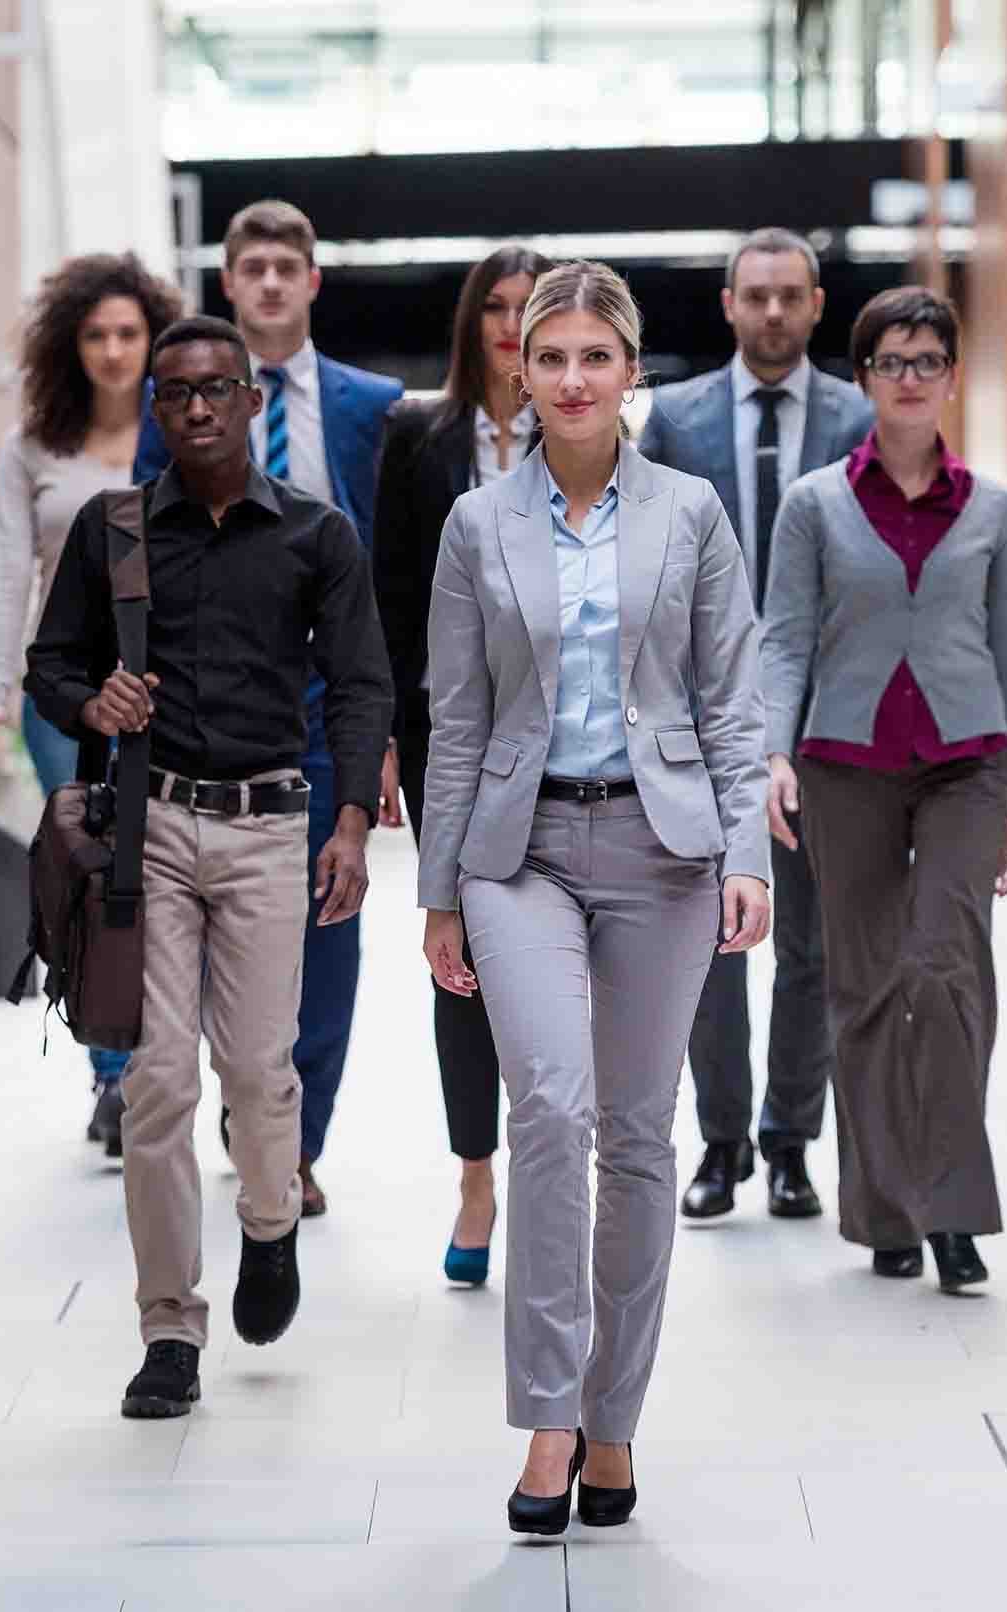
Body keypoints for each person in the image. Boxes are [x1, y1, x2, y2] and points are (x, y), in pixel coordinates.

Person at [416, 262, 770, 1534]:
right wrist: (441, 888)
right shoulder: (475, 525)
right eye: (550, 356)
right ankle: (549, 1421)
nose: (572, 378)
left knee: (636, 1140)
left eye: (596, 357)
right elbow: (454, 720)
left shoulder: (692, 513)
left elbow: (730, 698)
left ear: (633, 374)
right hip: (520, 856)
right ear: (521, 369)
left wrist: (746, 853)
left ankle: (616, 1422)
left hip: (664, 849)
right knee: (551, 1112)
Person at [28, 315, 394, 1417]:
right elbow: (52, 665)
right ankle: (169, 1329)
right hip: (150, 829)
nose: (195, 407)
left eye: (215, 389)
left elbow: (365, 687)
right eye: (174, 392)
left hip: (272, 824)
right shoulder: (116, 531)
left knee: (256, 1072)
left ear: (251, 402)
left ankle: (270, 1225)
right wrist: (92, 700)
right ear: (158, 410)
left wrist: (350, 825)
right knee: (156, 1084)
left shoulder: (316, 536)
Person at [759, 285, 1007, 1295]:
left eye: (928, 360)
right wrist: (774, 751)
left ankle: (955, 1212)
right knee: (868, 986)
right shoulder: (815, 504)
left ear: (953, 377)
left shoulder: (995, 508)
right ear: (864, 378)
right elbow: (786, 636)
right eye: (892, 361)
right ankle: (885, 1208)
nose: (911, 377)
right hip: (846, 761)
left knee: (948, 973)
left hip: (970, 762)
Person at [133, 200, 403, 1218]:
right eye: (253, 268)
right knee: (212, 937)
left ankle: (294, 1146)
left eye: (290, 266)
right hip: (210, 717)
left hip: (331, 708)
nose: (273, 283)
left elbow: (395, 582)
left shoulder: (375, 409)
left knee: (329, 932)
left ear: (314, 281)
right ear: (230, 285)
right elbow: (138, 559)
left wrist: (379, 740)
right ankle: (250, 1100)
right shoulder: (179, 411)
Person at [638, 227, 875, 1224]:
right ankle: (723, 1141)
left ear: (817, 306)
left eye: (791, 296)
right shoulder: (678, 420)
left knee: (813, 943)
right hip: (702, 721)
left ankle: (790, 1142)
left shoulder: (864, 417)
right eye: (756, 296)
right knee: (712, 940)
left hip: (825, 721)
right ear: (728, 307)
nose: (773, 312)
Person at [0, 252, 182, 1153]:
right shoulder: (33, 448)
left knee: (162, 871)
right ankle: (111, 1074)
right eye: (95, 334)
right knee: (88, 872)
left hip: (166, 689)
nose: (112, 350)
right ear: (71, 344)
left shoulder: (181, 429)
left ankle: (163, 1059)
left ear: (155, 338)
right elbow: (9, 572)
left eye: (129, 333)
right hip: (63, 692)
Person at [373, 243, 553, 1285]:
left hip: (563, 733)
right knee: (460, 960)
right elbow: (396, 595)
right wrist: (395, 737)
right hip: (452, 730)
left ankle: (547, 1165)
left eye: (528, 307)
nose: (509, 323)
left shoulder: (580, 426)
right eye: (494, 305)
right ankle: (475, 1173)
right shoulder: (418, 436)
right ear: (471, 322)